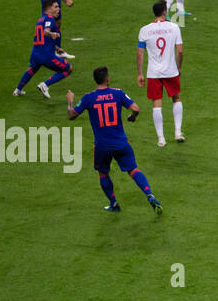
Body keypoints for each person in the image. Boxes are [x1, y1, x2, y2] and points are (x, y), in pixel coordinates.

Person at [67, 66, 162, 215]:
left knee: (103, 173)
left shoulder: (88, 98)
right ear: (107, 79)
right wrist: (132, 116)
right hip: (121, 143)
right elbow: (136, 108)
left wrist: (70, 102)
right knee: (133, 170)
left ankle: (114, 203)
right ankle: (150, 195)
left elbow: (71, 116)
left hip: (102, 146)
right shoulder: (118, 93)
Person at [137, 0, 184, 147]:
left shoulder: (145, 30)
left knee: (156, 104)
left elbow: (140, 54)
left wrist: (140, 73)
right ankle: (177, 132)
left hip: (153, 73)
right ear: (164, 12)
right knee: (176, 98)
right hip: (171, 70)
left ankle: (161, 138)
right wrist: (178, 67)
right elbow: (180, 51)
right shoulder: (174, 27)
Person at [13, 0, 72, 98]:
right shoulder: (49, 19)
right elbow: (45, 32)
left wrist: (56, 48)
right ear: (48, 8)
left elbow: (42, 38)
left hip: (36, 53)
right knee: (69, 69)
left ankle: (17, 90)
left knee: (33, 69)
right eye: (56, 7)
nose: (59, 9)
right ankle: (45, 85)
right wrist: (52, 34)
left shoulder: (41, 19)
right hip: (46, 55)